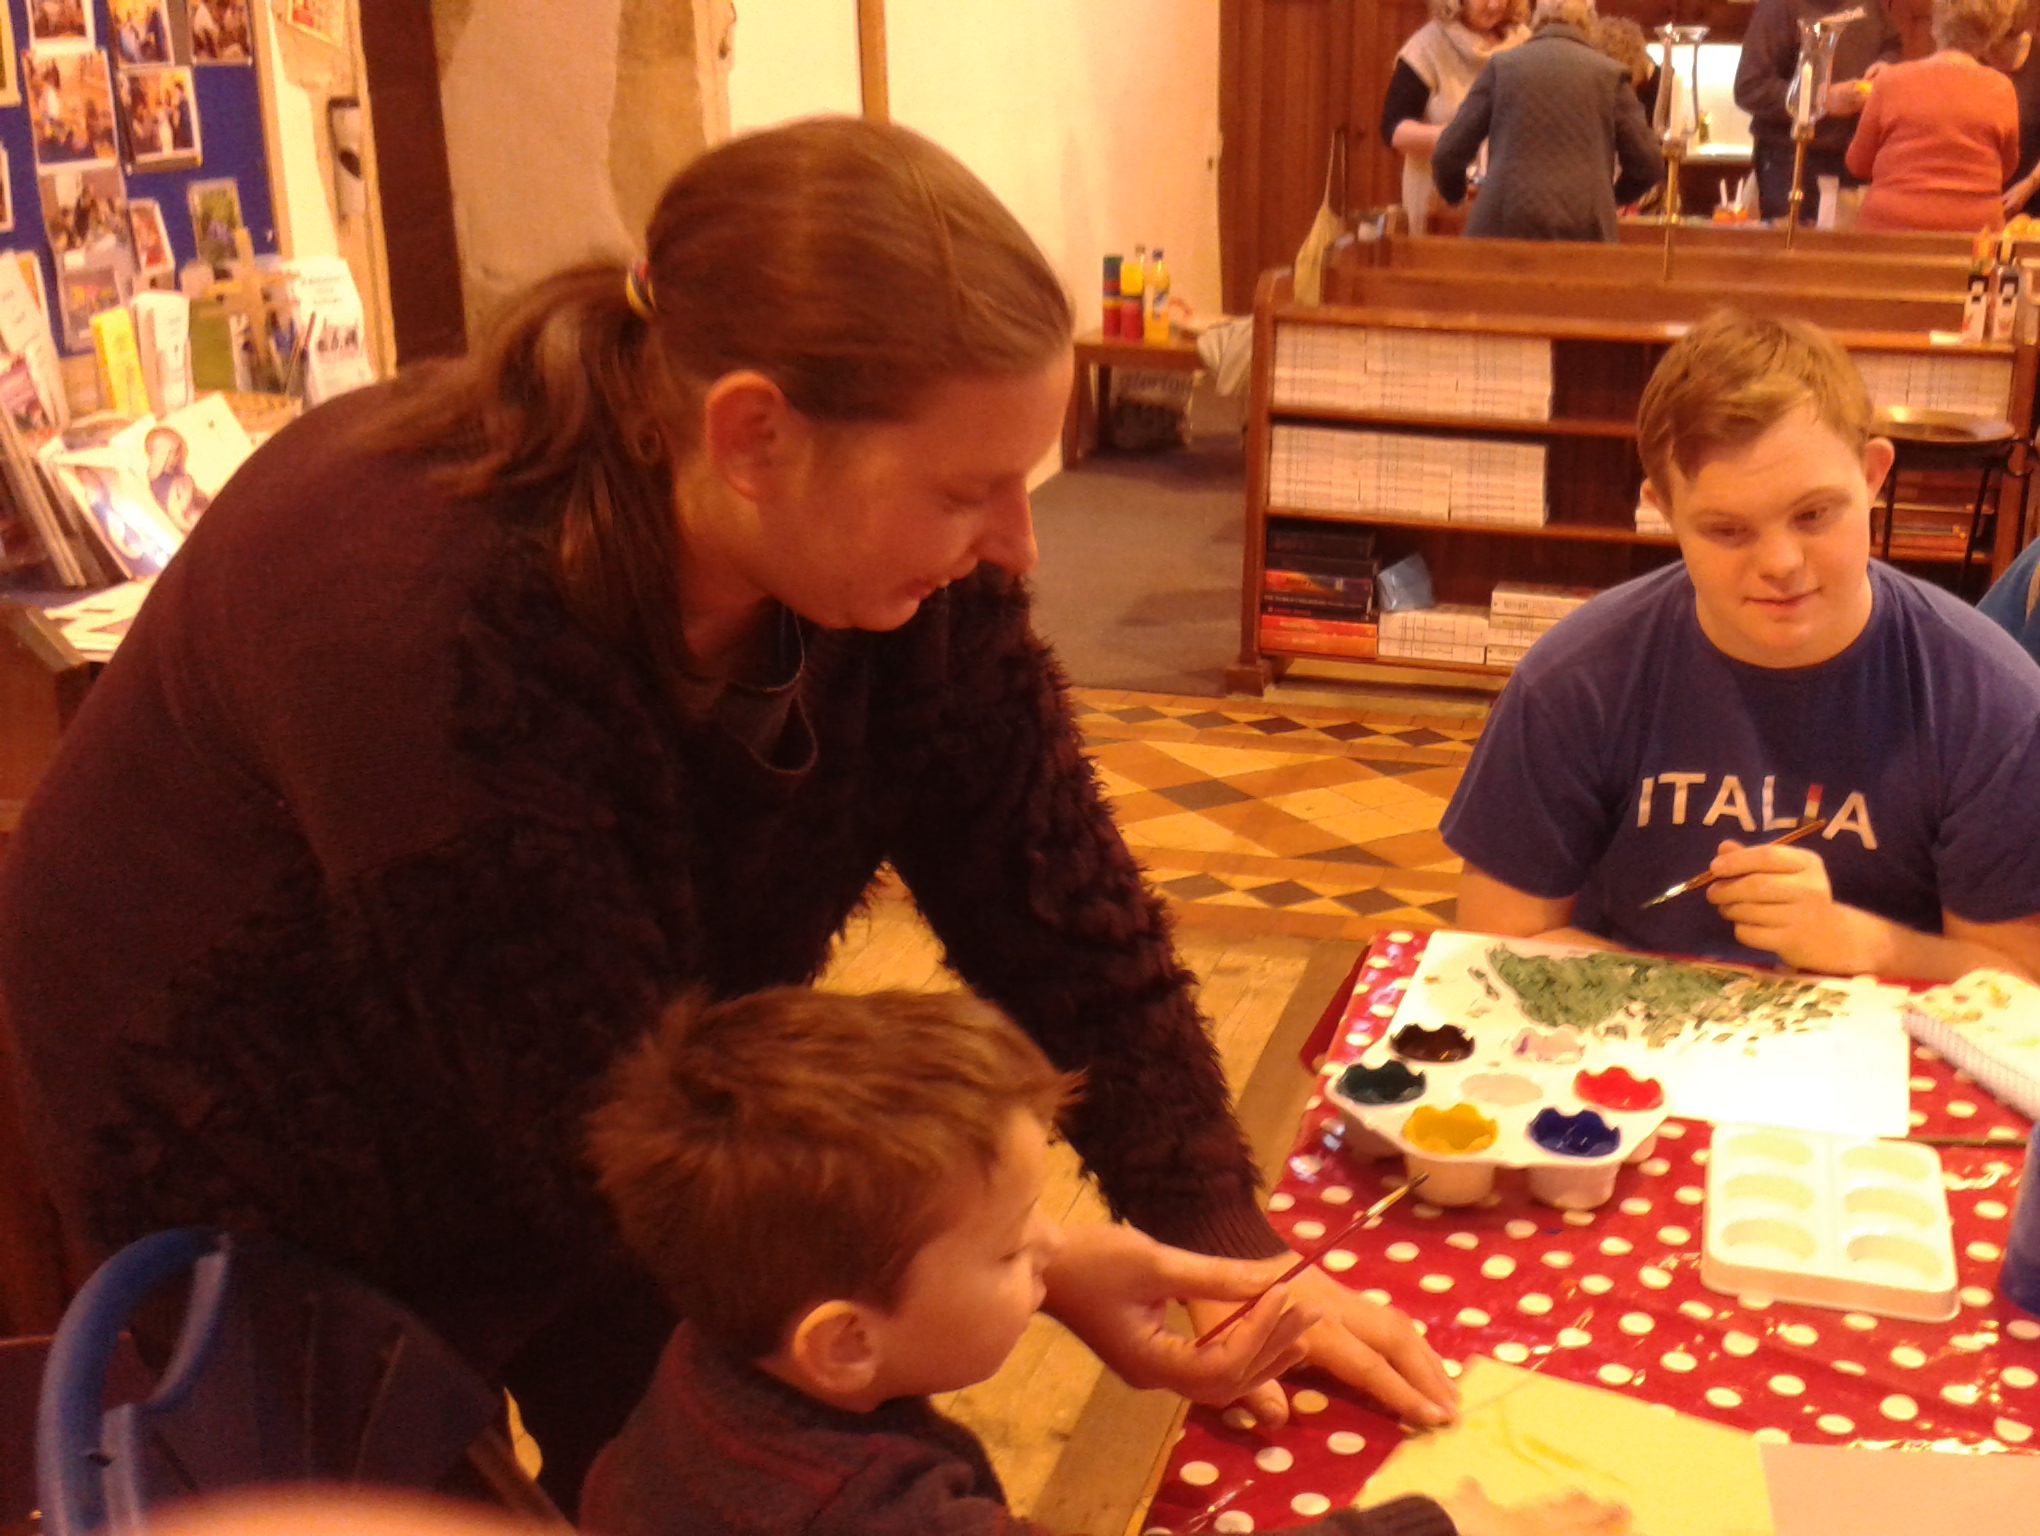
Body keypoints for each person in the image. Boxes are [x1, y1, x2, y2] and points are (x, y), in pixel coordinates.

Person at [0, 118, 1455, 1515]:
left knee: (725, 1444)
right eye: (969, 490)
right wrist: (1030, 1261)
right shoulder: (414, 609)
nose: (1015, 547)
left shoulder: (904, 576)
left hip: (610, 1096)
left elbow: (1057, 907)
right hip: (250, 1119)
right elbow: (601, 1118)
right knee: (413, 1469)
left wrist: (1230, 1251)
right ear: (752, 433)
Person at [581, 987, 1636, 1536]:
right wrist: (1442, 1525)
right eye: (1011, 1246)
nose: (1054, 1247)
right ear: (847, 1342)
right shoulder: (860, 1514)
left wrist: (1023, 1265)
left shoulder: (721, 1349)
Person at [1440, 310, 2040, 987]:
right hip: (1623, 1030)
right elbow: (1499, 937)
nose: (1780, 563)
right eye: (1727, 530)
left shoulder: (1995, 702)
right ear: (1664, 511)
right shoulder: (1572, 681)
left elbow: (2034, 984)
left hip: (1886, 1036)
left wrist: (1868, 944)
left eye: (1813, 515)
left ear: (1873, 475)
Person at [1430, 0, 1661, 242]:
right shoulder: (1610, 75)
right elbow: (1648, 163)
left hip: (1500, 230)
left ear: (1535, 22)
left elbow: (1447, 153)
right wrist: (1612, 198)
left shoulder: (1502, 67)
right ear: (1589, 26)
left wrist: (1455, 196)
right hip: (1586, 233)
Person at [1843, 0, 2018, 233]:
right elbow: (2007, 168)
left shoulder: (1890, 81)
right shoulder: (2002, 89)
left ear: (1936, 24)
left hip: (1889, 233)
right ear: (1993, 33)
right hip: (1975, 237)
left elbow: (1857, 164)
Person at [1732, 0, 1901, 228]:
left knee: (1850, 248)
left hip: (1856, 159)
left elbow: (1891, 45)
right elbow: (1750, 88)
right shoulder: (1778, 7)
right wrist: (1822, 100)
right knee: (1796, 247)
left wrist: (1885, 66)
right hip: (1792, 162)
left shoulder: (1871, 4)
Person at [1379, 0, 1527, 237]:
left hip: (1510, 206)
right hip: (1440, 206)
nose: (1494, 5)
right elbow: (1394, 130)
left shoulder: (1526, 44)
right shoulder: (1428, 46)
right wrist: (1455, 137)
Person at [1990, 17, 2040, 219]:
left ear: (2016, 35)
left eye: (1997, 48)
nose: (1991, 56)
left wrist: (2030, 183)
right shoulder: (1974, 54)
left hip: (2031, 198)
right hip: (1978, 192)